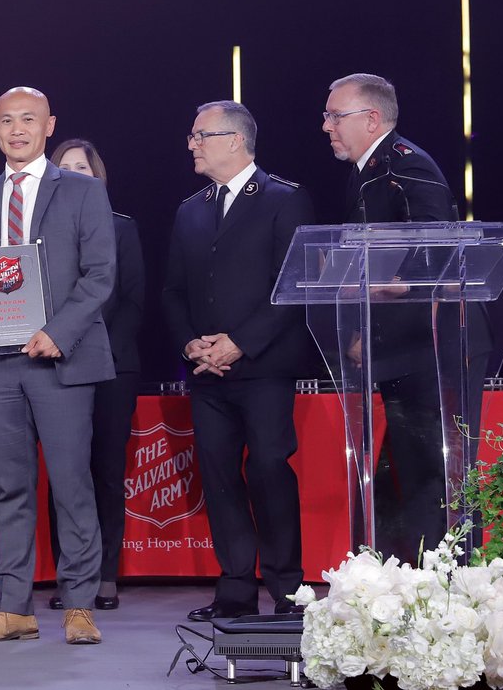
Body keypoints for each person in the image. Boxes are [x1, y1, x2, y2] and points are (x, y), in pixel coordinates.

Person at [0, 87, 115, 646]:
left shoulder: (82, 192)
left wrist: (57, 333)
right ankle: (13, 607)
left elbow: (100, 275)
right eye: (6, 120)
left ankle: (78, 605)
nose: (17, 129)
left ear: (49, 126)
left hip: (61, 360)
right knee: (9, 487)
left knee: (71, 484)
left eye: (29, 119)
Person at [323, 72, 488, 560]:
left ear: (372, 118)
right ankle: (418, 583)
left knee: (441, 476)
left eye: (335, 115)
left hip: (435, 345)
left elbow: (436, 254)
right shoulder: (369, 170)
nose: (325, 125)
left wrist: (367, 289)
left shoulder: (406, 167)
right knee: (412, 475)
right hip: (401, 349)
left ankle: (453, 588)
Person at [161, 100, 313, 621]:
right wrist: (190, 345)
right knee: (219, 474)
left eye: (200, 135)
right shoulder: (191, 209)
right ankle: (234, 587)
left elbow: (291, 287)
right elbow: (174, 290)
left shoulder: (283, 200)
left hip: (263, 366)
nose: (191, 144)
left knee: (269, 469)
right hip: (207, 372)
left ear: (234, 139)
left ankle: (287, 588)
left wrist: (240, 343)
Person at [46, 138, 144, 612]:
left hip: (110, 366)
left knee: (105, 472)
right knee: (65, 472)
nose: (73, 176)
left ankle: (104, 574)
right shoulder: (39, 232)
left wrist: (92, 344)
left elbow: (131, 301)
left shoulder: (121, 229)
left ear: (97, 175)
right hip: (55, 361)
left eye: (82, 168)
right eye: (64, 168)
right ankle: (69, 574)